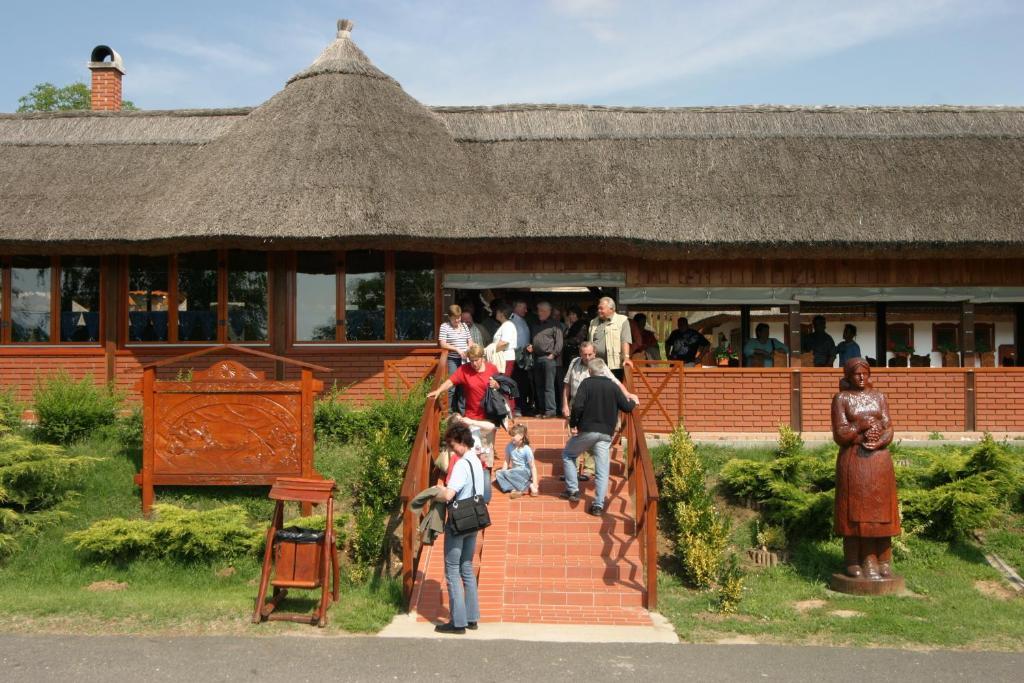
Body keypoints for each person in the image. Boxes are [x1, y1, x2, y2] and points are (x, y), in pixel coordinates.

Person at [831, 358, 900, 580]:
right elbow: (840, 434)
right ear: (848, 376)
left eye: (865, 373)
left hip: (879, 461)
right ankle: (854, 560)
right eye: (856, 374)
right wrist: (861, 426)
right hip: (854, 461)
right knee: (855, 513)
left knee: (881, 510)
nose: (861, 378)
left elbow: (889, 427)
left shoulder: (880, 397)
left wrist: (880, 440)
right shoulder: (842, 399)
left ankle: (883, 558)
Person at [561, 358, 637, 516]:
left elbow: (578, 406)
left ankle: (573, 490)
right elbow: (626, 407)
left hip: (588, 430)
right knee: (602, 470)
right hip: (606, 434)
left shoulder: (586, 384)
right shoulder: (613, 386)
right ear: (603, 370)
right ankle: (598, 505)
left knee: (568, 454)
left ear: (590, 371)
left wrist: (574, 424)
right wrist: (634, 402)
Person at [432, 422, 485, 634]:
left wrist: (438, 490)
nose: (452, 449)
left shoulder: (462, 464)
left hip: (458, 521)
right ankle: (472, 618)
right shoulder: (477, 462)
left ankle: (458, 622)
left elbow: (449, 494)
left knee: (452, 569)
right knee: (466, 568)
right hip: (474, 519)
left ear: (462, 441)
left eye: (453, 444)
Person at [562, 341, 639, 483]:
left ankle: (588, 470)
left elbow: (615, 382)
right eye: (584, 354)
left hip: (590, 409)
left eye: (590, 354)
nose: (587, 357)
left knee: (589, 441)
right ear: (580, 353)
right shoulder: (574, 363)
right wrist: (565, 404)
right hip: (575, 406)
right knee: (573, 438)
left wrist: (628, 394)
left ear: (595, 353)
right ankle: (571, 471)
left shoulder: (599, 365)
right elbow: (567, 384)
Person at [428, 344, 499, 423]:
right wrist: (438, 390)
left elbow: (501, 387)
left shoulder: (492, 368)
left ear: (482, 358)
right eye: (471, 360)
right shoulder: (464, 369)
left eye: (476, 360)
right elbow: (450, 381)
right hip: (472, 416)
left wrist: (496, 385)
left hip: (490, 414)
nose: (474, 364)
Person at [528, 301, 563, 418]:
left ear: (547, 311)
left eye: (541, 311)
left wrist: (553, 355)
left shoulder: (555, 324)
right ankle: (542, 410)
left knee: (548, 386)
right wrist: (531, 346)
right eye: (538, 310)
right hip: (537, 358)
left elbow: (559, 342)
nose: (539, 313)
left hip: (548, 358)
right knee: (539, 386)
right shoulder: (535, 324)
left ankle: (550, 411)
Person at [587, 297, 633, 380]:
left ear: (611, 309)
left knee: (612, 389)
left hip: (614, 365)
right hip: (596, 365)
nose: (598, 311)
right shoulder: (593, 322)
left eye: (601, 308)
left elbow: (625, 340)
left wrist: (626, 357)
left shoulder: (622, 320)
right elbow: (589, 342)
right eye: (598, 308)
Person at [438, 304, 472, 414]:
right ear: (449, 317)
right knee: (452, 384)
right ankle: (449, 412)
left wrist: (469, 350)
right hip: (453, 359)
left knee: (464, 385)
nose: (457, 320)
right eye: (455, 318)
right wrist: (456, 349)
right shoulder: (445, 326)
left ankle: (462, 412)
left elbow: (469, 341)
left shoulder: (465, 326)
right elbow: (442, 344)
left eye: (459, 317)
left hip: (465, 360)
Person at [494, 423, 538, 498]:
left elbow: (532, 467)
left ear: (521, 436)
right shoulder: (509, 446)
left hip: (524, 471)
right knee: (498, 473)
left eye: (513, 436)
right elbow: (506, 461)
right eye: (511, 435)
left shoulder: (526, 449)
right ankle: (514, 489)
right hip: (514, 472)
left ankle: (529, 485)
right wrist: (503, 474)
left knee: (509, 473)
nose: (511, 438)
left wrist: (535, 483)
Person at [510, 299, 534, 415]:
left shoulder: (522, 321)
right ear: (516, 307)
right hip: (516, 358)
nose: (526, 310)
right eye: (523, 307)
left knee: (523, 384)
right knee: (517, 383)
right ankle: (518, 407)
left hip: (524, 358)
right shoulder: (512, 322)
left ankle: (522, 406)